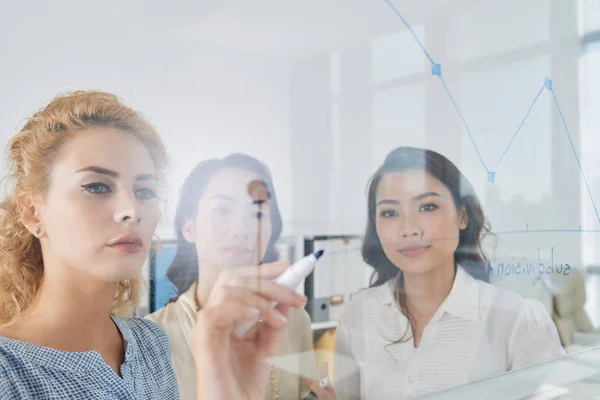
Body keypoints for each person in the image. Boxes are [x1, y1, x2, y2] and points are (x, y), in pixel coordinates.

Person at [0, 91, 306, 400]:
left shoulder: (150, 345)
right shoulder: (8, 371)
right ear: (32, 212)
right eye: (97, 187)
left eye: (144, 191)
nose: (131, 210)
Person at [333, 147, 565, 399]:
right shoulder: (357, 315)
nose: (409, 229)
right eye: (390, 213)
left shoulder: (517, 321)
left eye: (427, 207)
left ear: (462, 216)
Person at [147, 154, 316, 400]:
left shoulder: (293, 318)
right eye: (221, 209)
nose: (240, 230)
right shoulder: (151, 337)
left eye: (257, 215)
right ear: (189, 227)